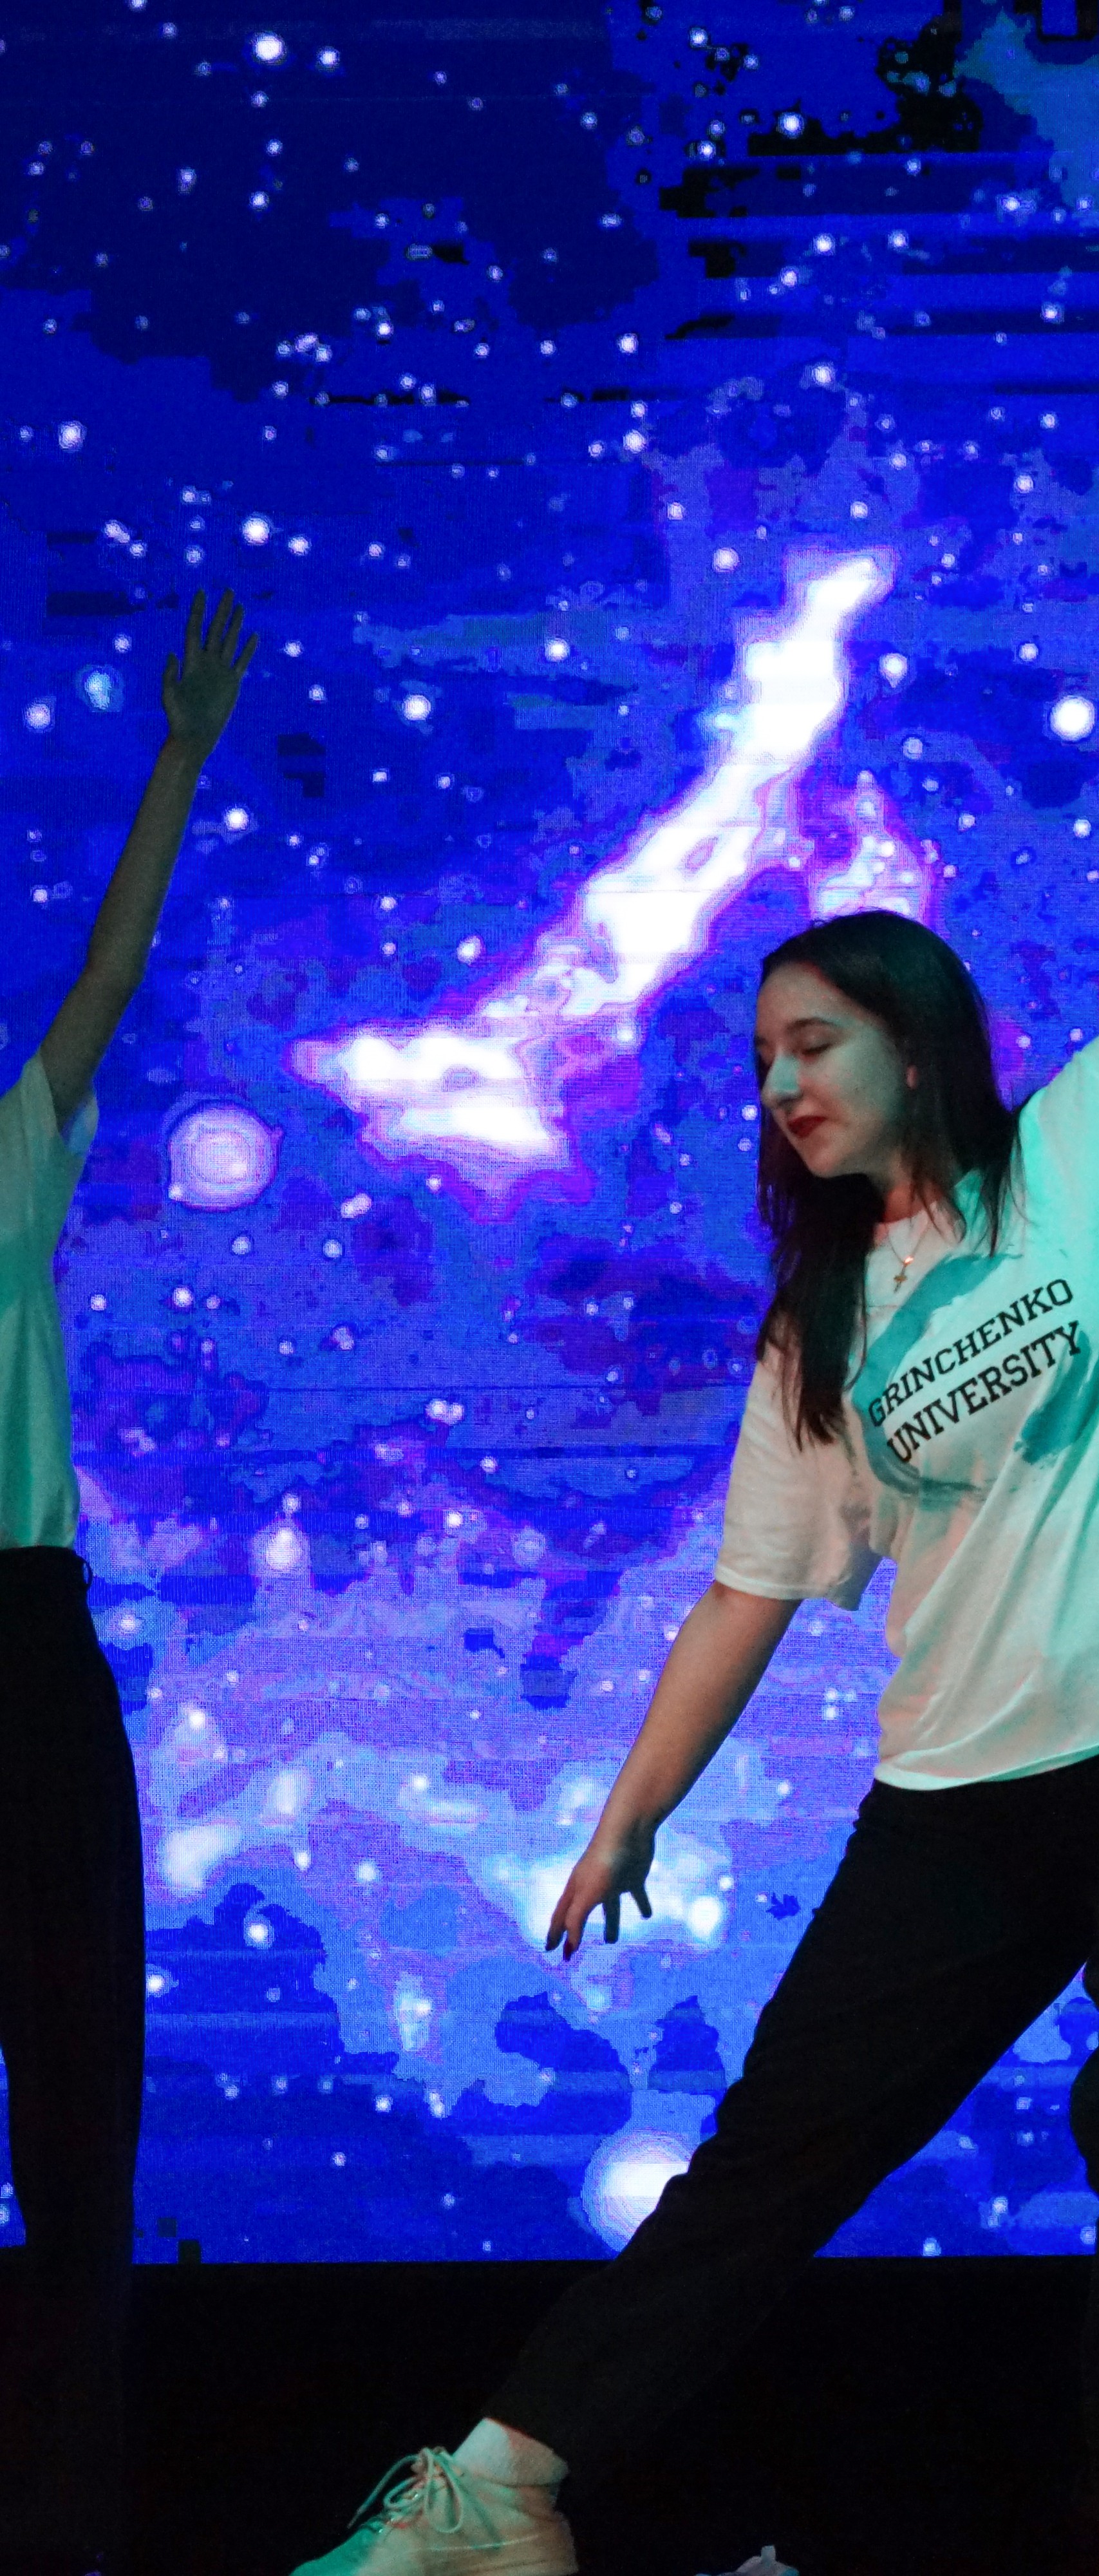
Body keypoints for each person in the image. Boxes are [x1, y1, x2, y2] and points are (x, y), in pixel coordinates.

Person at [285, 487, 1099, 2576]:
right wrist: (632, 1808)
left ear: (917, 1039)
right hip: (967, 1794)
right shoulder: (822, 1327)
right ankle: (501, 2489)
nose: (784, 1085)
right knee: (778, 2155)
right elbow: (749, 1594)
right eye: (762, 1063)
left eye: (813, 1042)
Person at [0, 595, 252, 2576]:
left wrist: (175, 754)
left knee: (80, 2106)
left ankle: (66, 2522)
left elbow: (108, 969)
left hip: (20, 1645)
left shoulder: (11, 1148)